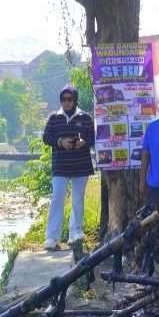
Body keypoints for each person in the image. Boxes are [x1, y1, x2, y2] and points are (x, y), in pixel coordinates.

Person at [41, 84, 95, 251]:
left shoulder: (85, 117)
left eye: (69, 99)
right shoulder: (54, 118)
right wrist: (60, 142)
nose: (66, 102)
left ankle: (76, 233)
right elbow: (46, 137)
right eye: (63, 99)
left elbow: (93, 136)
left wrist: (83, 142)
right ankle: (52, 236)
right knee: (57, 197)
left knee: (77, 199)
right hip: (60, 165)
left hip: (80, 164)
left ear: (75, 99)